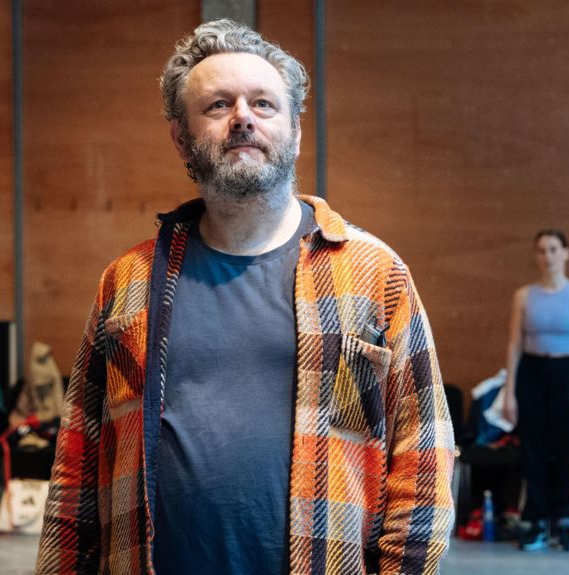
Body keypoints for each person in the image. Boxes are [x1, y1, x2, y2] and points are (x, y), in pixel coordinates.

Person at [36, 19, 454, 575]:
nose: (243, 118)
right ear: (181, 138)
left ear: (295, 131)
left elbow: (423, 458)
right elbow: (77, 468)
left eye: (263, 103)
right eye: (217, 106)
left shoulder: (375, 275)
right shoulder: (128, 281)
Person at [502, 229, 569, 551]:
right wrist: (510, 392)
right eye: (542, 250)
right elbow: (515, 344)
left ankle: (567, 521)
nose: (548, 256)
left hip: (567, 374)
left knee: (567, 450)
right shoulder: (524, 296)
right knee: (533, 450)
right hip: (532, 374)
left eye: (554, 249)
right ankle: (537, 522)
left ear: (566, 253)